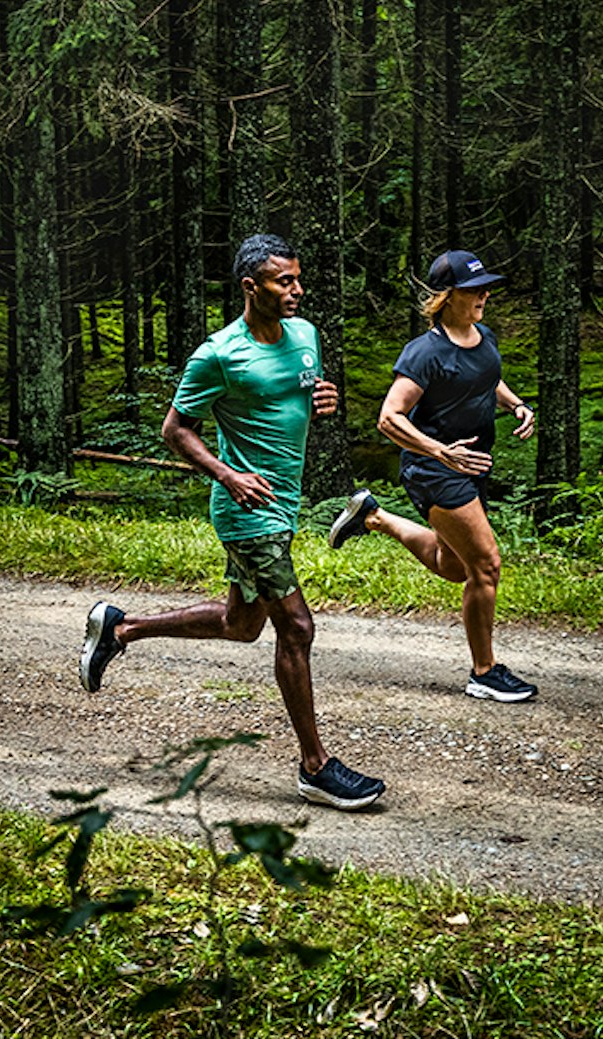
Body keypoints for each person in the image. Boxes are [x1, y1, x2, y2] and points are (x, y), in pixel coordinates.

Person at [78, 234, 386, 811]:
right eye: (284, 282)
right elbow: (176, 430)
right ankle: (315, 767)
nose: (297, 290)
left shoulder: (305, 336)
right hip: (247, 511)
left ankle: (120, 630)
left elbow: (296, 395)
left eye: (297, 278)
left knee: (241, 624)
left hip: (284, 503)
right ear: (251, 287)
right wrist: (228, 475)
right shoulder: (218, 353)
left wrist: (322, 400)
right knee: (295, 627)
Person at [326, 249, 537, 703]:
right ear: (446, 297)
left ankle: (374, 518)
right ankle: (485, 671)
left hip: (473, 462)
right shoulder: (424, 353)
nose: (484, 295)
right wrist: (441, 452)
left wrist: (517, 404)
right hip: (433, 469)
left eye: (485, 287)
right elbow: (389, 418)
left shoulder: (484, 336)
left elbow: (486, 378)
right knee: (486, 565)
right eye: (473, 289)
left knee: (453, 565)